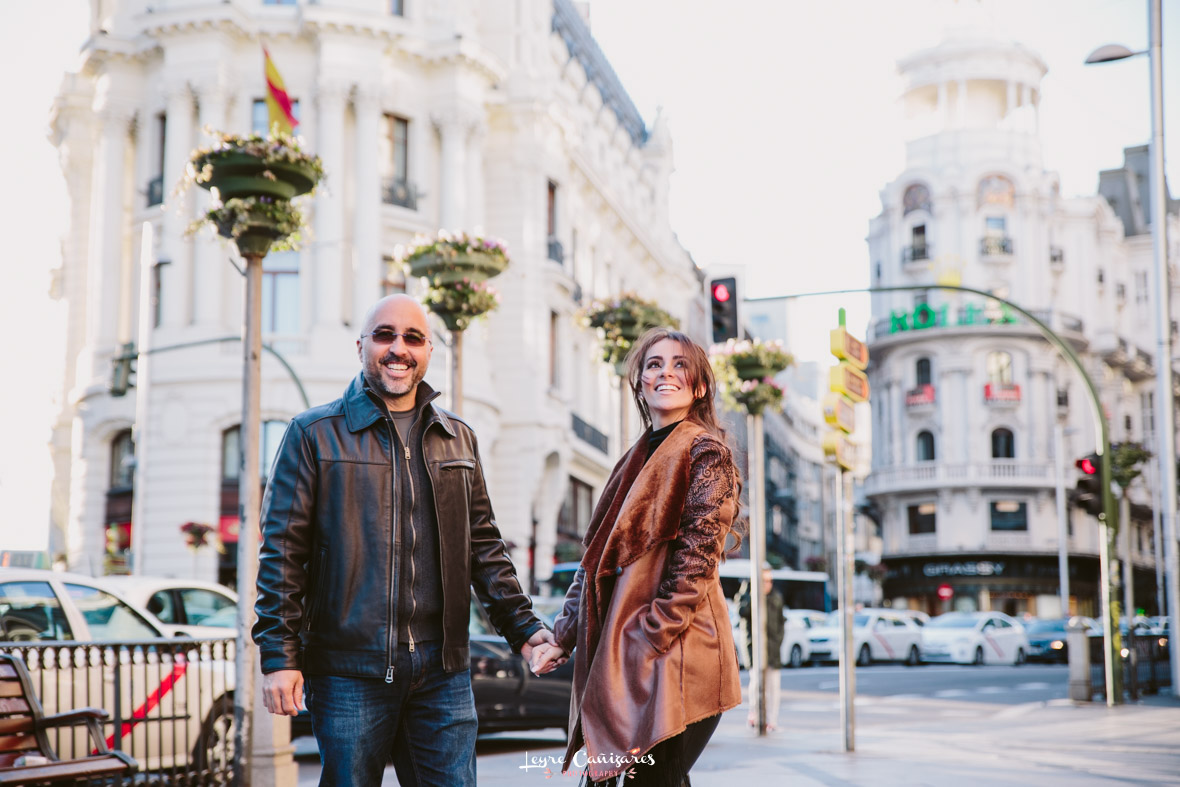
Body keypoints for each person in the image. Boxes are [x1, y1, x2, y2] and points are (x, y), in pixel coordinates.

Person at [253, 294, 555, 786]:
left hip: (444, 672)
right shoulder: (313, 434)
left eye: (413, 338)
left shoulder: (458, 438)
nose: (399, 348)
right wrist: (279, 657)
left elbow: (484, 550)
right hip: (349, 669)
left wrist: (524, 630)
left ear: (429, 351)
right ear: (361, 346)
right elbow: (283, 554)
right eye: (385, 335)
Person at [532, 327, 745, 786]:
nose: (665, 372)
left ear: (699, 386)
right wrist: (562, 636)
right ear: (641, 383)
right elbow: (593, 563)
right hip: (631, 660)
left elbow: (697, 559)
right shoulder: (633, 457)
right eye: (654, 364)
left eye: (679, 364)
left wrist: (647, 639)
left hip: (676, 657)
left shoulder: (705, 452)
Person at [738, 566, 784, 731]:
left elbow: (780, 623)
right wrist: (752, 593)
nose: (768, 584)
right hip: (755, 649)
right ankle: (755, 715)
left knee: (773, 687)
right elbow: (742, 611)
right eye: (764, 581)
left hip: (772, 649)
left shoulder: (776, 597)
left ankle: (772, 720)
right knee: (756, 683)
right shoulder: (749, 596)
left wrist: (778, 641)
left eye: (770, 581)